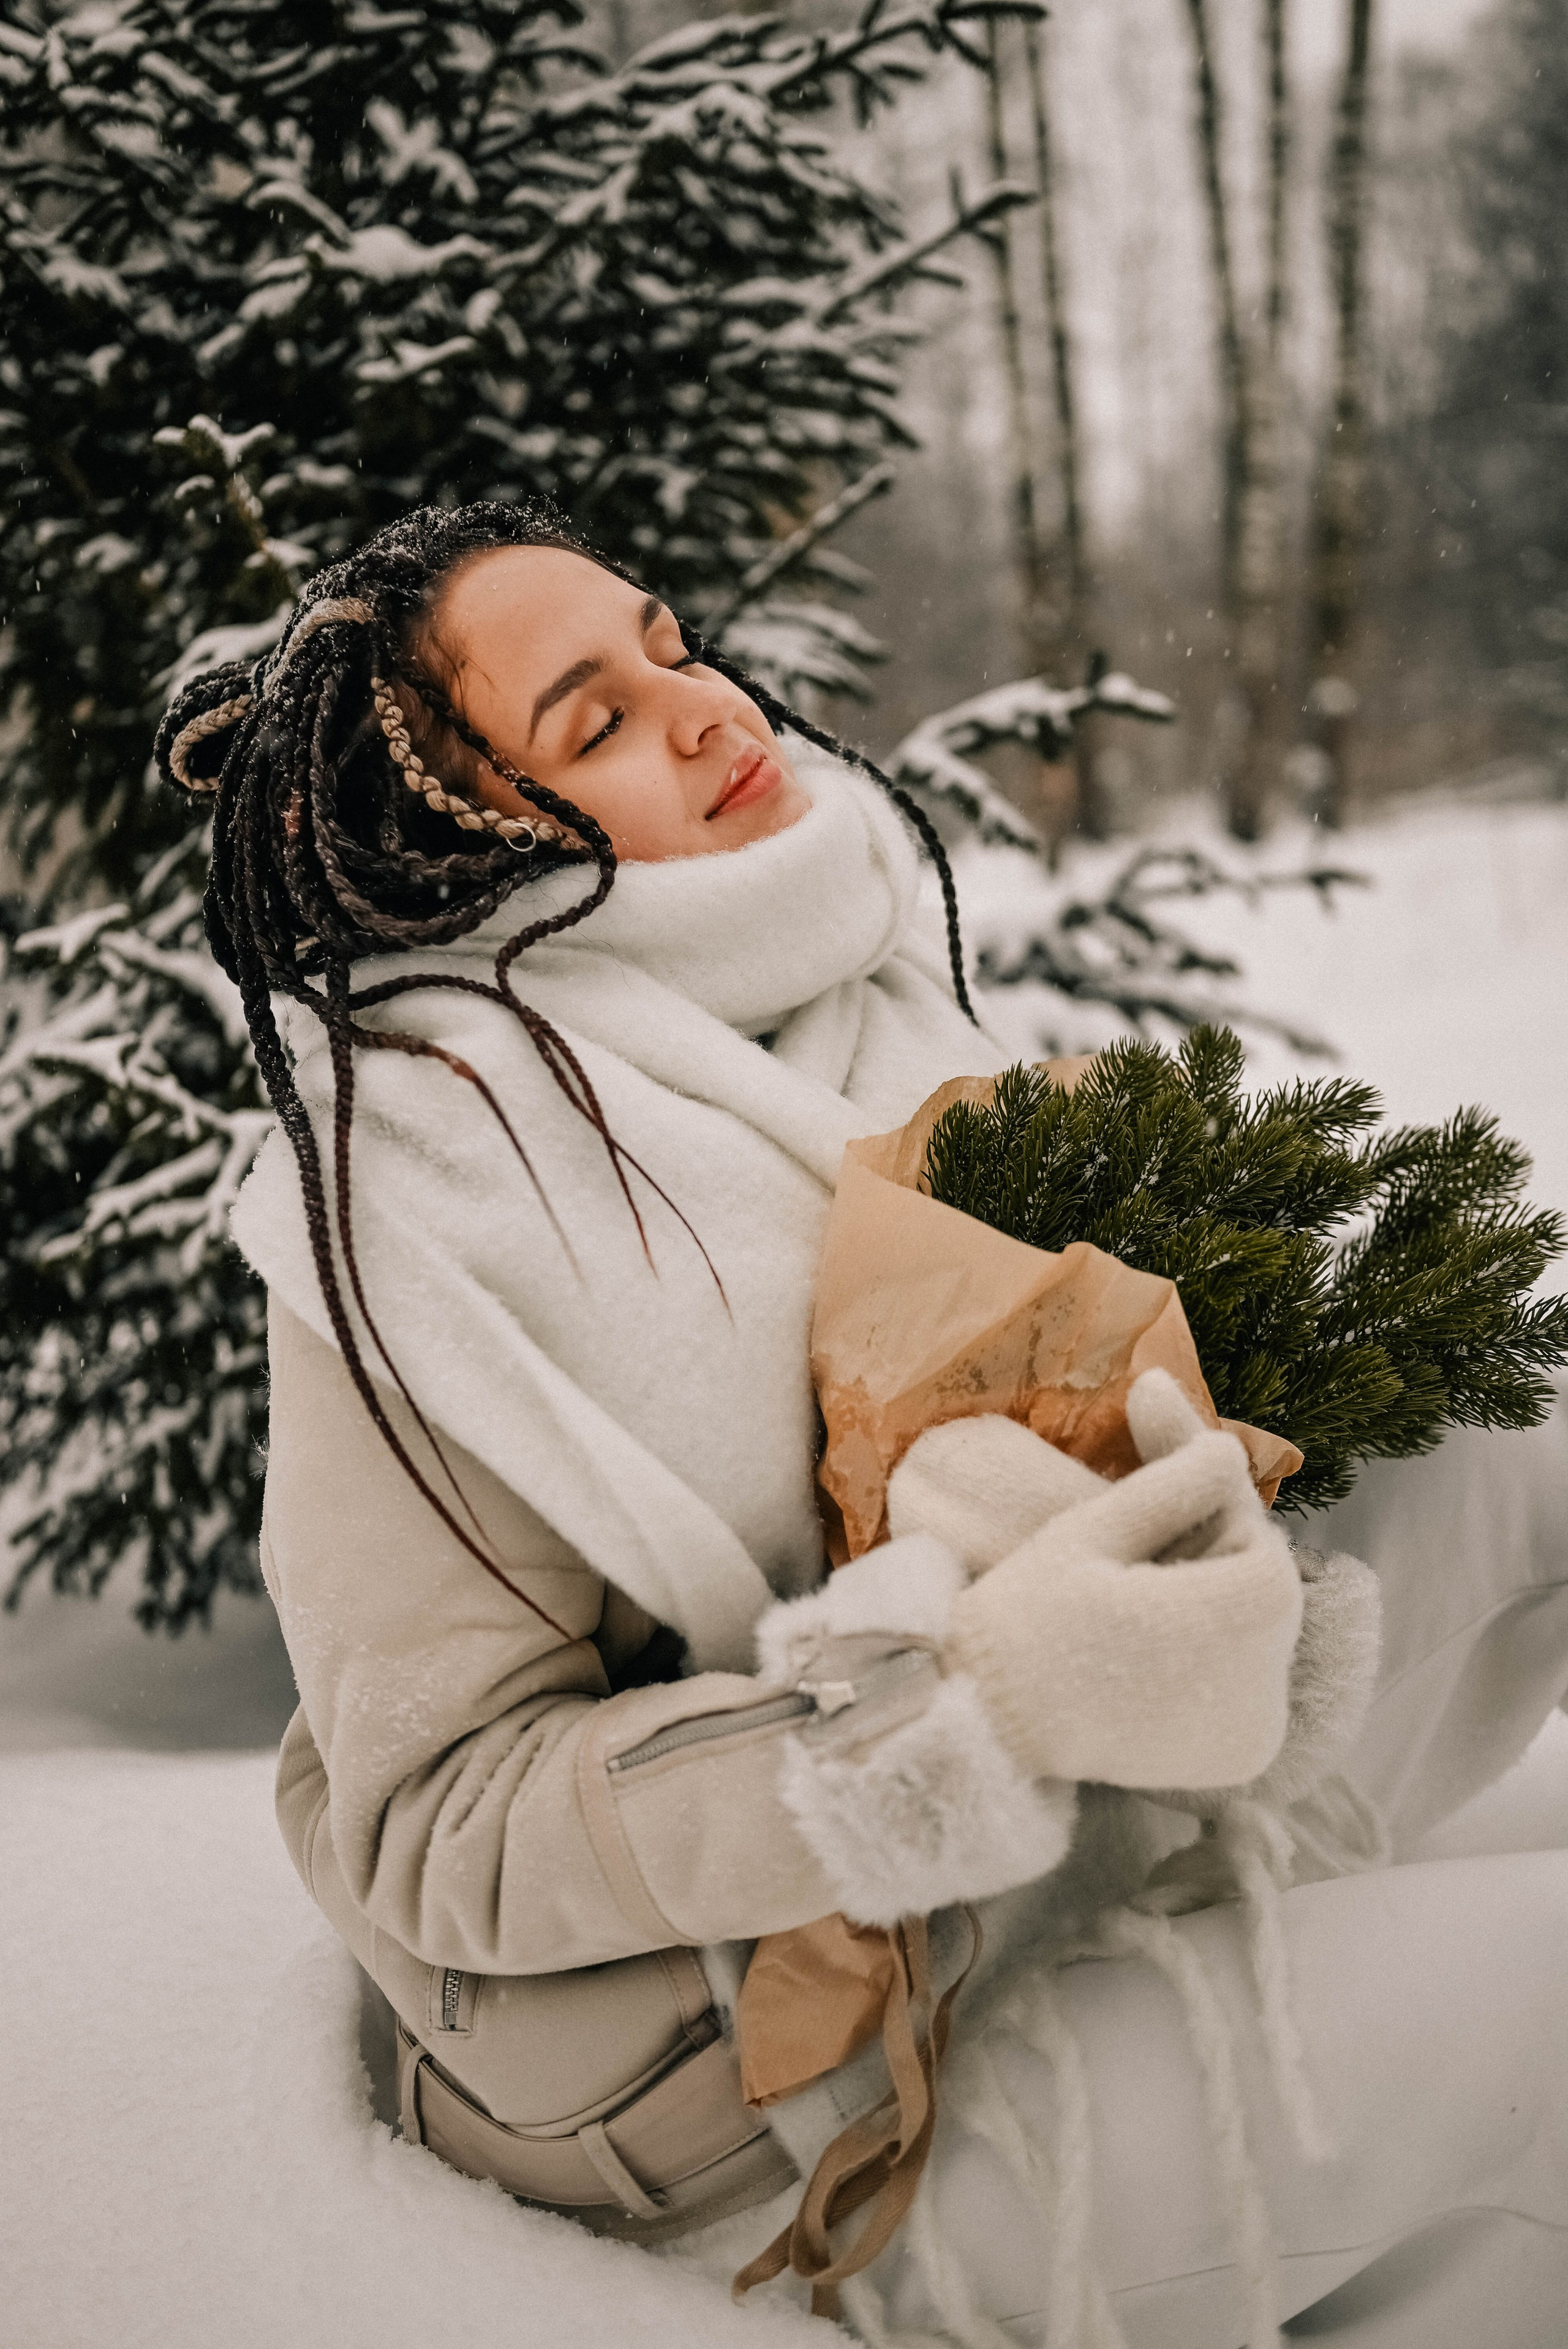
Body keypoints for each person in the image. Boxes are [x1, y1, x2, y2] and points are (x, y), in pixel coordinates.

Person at [157, 502, 1568, 2348]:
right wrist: (954, 1701)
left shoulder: (842, 1003)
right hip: (764, 2107)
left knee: (1522, 1434)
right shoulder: (426, 1201)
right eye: (593, 721)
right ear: (463, 844)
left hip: (1047, 1872)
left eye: (669, 640)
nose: (698, 703)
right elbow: (441, 1822)